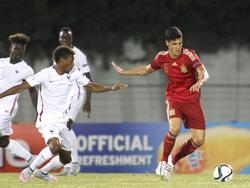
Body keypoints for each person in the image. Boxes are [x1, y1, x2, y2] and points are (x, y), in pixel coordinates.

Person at [0, 45, 127, 183]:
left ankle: (42, 172)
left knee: (66, 158)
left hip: (62, 121)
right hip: (47, 119)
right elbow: (20, 87)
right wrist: (2, 95)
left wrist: (111, 87)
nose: (73, 63)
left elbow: (91, 86)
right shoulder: (45, 74)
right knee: (54, 146)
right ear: (61, 60)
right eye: (71, 60)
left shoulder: (74, 73)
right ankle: (29, 170)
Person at [112, 26, 209, 181]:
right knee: (174, 128)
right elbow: (146, 70)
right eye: (175, 44)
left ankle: (173, 160)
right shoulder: (162, 58)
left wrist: (200, 81)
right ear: (167, 43)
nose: (178, 47)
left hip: (192, 100)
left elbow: (203, 72)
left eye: (180, 43)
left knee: (198, 141)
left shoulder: (189, 55)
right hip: (174, 99)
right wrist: (124, 72)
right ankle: (162, 162)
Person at [56, 27, 92, 176]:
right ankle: (71, 164)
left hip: (78, 93)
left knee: (67, 125)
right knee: (64, 127)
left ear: (72, 39)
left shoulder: (79, 55)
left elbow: (89, 78)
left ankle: (74, 164)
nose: (65, 40)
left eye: (67, 38)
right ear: (59, 40)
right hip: (65, 95)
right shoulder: (58, 54)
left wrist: (88, 101)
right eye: (62, 38)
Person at [0, 33, 37, 167]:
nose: (18, 52)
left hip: (7, 107)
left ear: (24, 51)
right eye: (15, 48)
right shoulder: (1, 62)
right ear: (10, 48)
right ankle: (31, 158)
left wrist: (38, 111)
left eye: (21, 50)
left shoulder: (26, 70)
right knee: (3, 142)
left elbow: (33, 91)